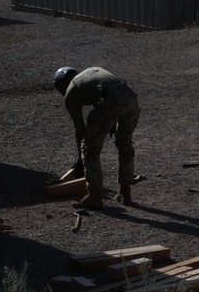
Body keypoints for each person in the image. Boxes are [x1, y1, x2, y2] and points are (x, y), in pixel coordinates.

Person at [54, 66, 140, 209]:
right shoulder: (93, 72)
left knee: (89, 148)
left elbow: (80, 130)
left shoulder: (71, 93)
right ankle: (125, 191)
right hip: (131, 98)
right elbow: (115, 87)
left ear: (62, 84)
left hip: (111, 100)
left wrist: (81, 159)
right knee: (125, 144)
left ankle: (94, 196)